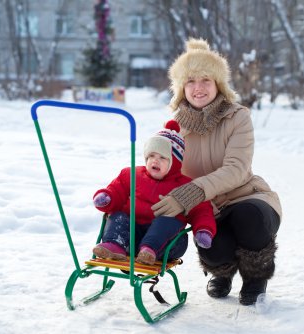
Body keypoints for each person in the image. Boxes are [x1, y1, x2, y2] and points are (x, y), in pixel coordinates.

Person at [151, 38, 282, 305]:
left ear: (218, 84)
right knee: (212, 245)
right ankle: (223, 275)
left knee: (249, 217)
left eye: (206, 80)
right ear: (181, 88)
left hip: (246, 196)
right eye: (190, 81)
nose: (198, 88)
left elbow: (235, 169)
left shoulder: (237, 117)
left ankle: (256, 278)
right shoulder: (173, 126)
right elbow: (164, 169)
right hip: (206, 208)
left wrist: (189, 193)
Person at [92, 120, 216, 265]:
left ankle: (148, 251)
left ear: (175, 162)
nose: (154, 161)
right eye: (151, 156)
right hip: (131, 237)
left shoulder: (185, 186)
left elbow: (201, 210)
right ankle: (115, 245)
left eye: (162, 157)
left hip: (167, 244)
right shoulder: (131, 174)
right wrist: (107, 198)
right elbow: (116, 190)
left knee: (166, 221)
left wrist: (203, 230)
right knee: (118, 215)